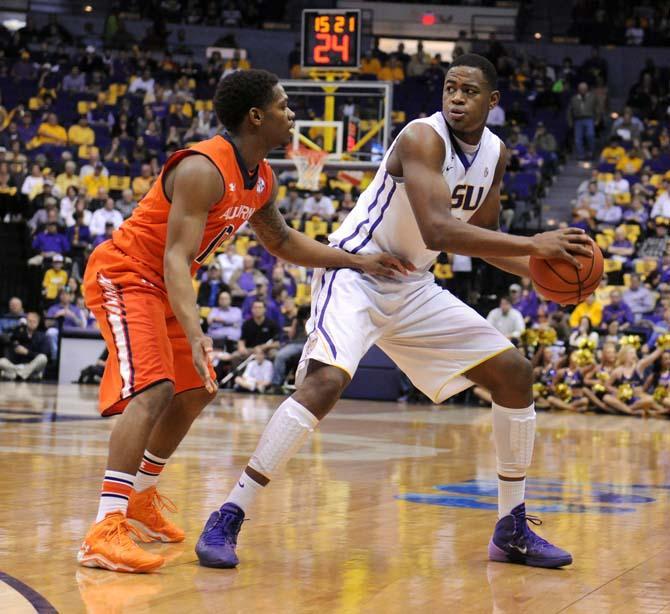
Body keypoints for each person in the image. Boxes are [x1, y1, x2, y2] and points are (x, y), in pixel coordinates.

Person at [197, 54, 590, 571]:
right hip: (357, 270)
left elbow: (484, 241)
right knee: (325, 383)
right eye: (450, 87)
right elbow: (439, 231)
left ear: (493, 102)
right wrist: (537, 244)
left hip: (410, 283)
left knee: (514, 373)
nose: (455, 97)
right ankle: (229, 513)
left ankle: (511, 527)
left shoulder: (493, 152)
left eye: (469, 91)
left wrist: (543, 273)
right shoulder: (421, 138)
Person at [77, 69, 406, 573]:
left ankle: (141, 497)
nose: (292, 114)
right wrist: (194, 332)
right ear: (256, 117)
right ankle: (104, 529)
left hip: (165, 283)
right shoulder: (203, 168)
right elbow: (174, 257)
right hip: (127, 276)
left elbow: (282, 242)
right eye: (283, 105)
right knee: (153, 389)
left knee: (198, 390)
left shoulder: (263, 178)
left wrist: (355, 260)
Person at [0, 312, 49, 381]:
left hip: (33, 366)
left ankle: (14, 375)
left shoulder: (43, 336)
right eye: (29, 321)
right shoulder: (18, 332)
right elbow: (11, 343)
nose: (31, 323)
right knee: (2, 361)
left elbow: (44, 353)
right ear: (26, 321)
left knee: (43, 358)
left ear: (38, 323)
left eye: (34, 321)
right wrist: (15, 347)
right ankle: (28, 375)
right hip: (17, 365)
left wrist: (27, 352)